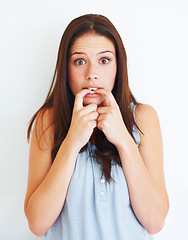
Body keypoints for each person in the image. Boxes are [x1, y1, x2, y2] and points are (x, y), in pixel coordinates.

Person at [24, 14, 169, 240]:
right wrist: (72, 141)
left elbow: (155, 221)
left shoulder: (143, 118)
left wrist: (123, 139)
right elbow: (37, 224)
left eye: (104, 60)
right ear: (66, 69)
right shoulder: (48, 121)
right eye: (79, 61)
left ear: (118, 66)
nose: (92, 73)